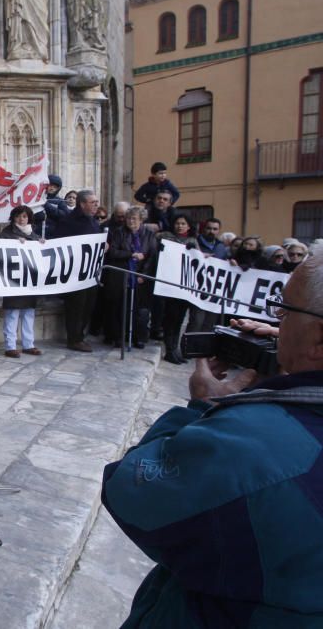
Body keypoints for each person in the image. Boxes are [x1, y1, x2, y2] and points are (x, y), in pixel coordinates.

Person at [102, 256, 323, 626]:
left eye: (283, 313)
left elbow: (129, 488)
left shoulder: (254, 445)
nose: (275, 323)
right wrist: (296, 363)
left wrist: (201, 407)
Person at [50, 189, 102, 352]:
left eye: (96, 202)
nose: (96, 206)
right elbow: (60, 243)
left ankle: (80, 336)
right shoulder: (69, 222)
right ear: (82, 203)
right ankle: (74, 338)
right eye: (92, 202)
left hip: (90, 273)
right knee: (76, 307)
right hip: (75, 273)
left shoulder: (93, 221)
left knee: (88, 306)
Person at [103, 206, 157, 348]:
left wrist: (143, 275)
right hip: (122, 273)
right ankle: (119, 336)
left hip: (140, 275)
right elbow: (113, 252)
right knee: (120, 307)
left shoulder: (149, 234)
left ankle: (138, 337)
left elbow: (152, 257)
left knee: (140, 309)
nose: (130, 221)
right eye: (128, 218)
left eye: (134, 218)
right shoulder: (118, 232)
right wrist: (130, 254)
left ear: (141, 220)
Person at [0, 205, 44, 357]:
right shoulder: (7, 233)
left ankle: (28, 344)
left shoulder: (34, 235)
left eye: (24, 216)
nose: (21, 219)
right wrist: (15, 243)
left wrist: (42, 244)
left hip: (29, 280)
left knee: (28, 313)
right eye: (18, 216)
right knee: (12, 313)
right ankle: (10, 346)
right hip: (13, 280)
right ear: (13, 217)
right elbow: (0, 251)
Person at [157, 213, 198, 364]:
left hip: (184, 287)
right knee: (170, 319)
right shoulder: (165, 237)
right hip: (169, 284)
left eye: (183, 223)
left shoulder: (193, 240)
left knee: (179, 320)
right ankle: (169, 350)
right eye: (177, 223)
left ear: (188, 226)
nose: (179, 226)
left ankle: (174, 348)